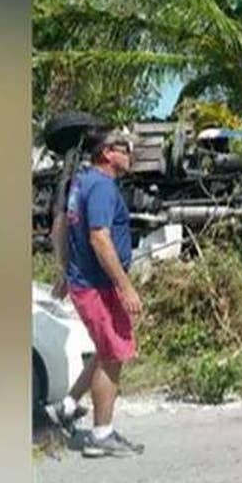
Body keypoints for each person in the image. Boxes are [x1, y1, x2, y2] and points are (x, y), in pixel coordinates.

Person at [45, 126, 145, 457]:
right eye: (125, 147)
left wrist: (65, 270)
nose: (130, 153)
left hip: (85, 282)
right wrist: (125, 286)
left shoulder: (80, 183)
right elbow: (99, 238)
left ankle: (66, 406)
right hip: (100, 286)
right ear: (107, 153)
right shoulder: (102, 187)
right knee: (114, 355)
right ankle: (101, 435)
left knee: (105, 349)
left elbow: (60, 227)